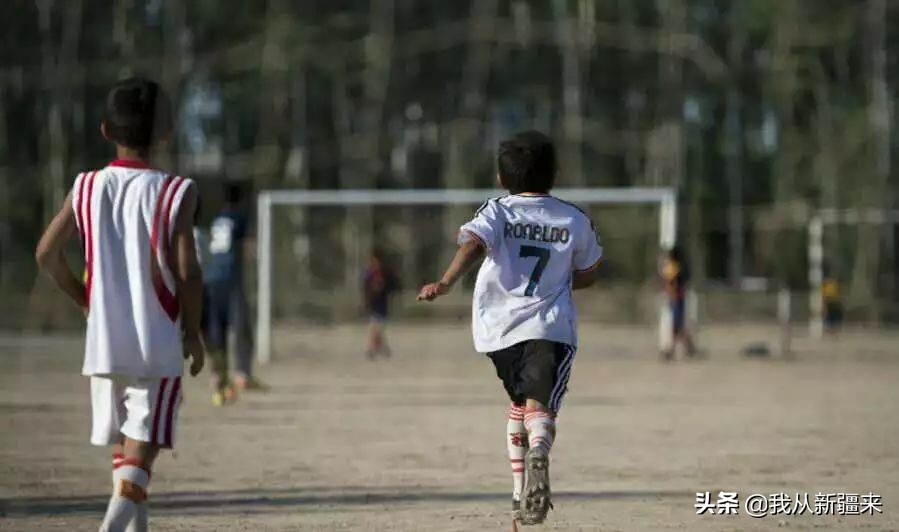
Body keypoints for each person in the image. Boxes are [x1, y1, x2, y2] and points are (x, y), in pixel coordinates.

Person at [35, 77, 205, 532]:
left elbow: (46, 254)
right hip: (157, 342)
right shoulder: (176, 192)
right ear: (165, 134)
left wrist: (85, 300)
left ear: (104, 129)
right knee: (142, 450)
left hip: (104, 344)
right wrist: (193, 331)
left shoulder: (86, 186)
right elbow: (188, 272)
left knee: (128, 449)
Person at [417, 131, 603, 526]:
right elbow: (589, 273)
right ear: (555, 173)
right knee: (540, 408)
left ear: (501, 179)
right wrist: (566, 277)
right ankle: (539, 450)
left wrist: (446, 282)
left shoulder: (497, 211)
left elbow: (472, 245)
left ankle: (519, 493)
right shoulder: (573, 218)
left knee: (519, 403)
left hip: (499, 330)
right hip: (550, 327)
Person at [205, 183, 265, 405]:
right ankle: (242, 375)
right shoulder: (239, 218)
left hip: (212, 279)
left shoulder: (216, 220)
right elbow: (248, 247)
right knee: (242, 327)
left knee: (217, 331)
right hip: (231, 279)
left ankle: (218, 382)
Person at [660, 246, 697, 360]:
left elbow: (671, 283)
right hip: (680, 297)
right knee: (677, 326)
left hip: (675, 298)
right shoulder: (681, 267)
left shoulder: (673, 267)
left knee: (677, 325)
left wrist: (671, 295)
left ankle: (676, 349)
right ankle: (684, 348)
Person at [363, 250, 396, 359]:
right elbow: (365, 289)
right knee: (374, 329)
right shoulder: (369, 274)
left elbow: (391, 288)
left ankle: (377, 349)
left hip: (382, 305)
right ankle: (376, 349)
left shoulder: (385, 274)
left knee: (379, 329)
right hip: (373, 305)